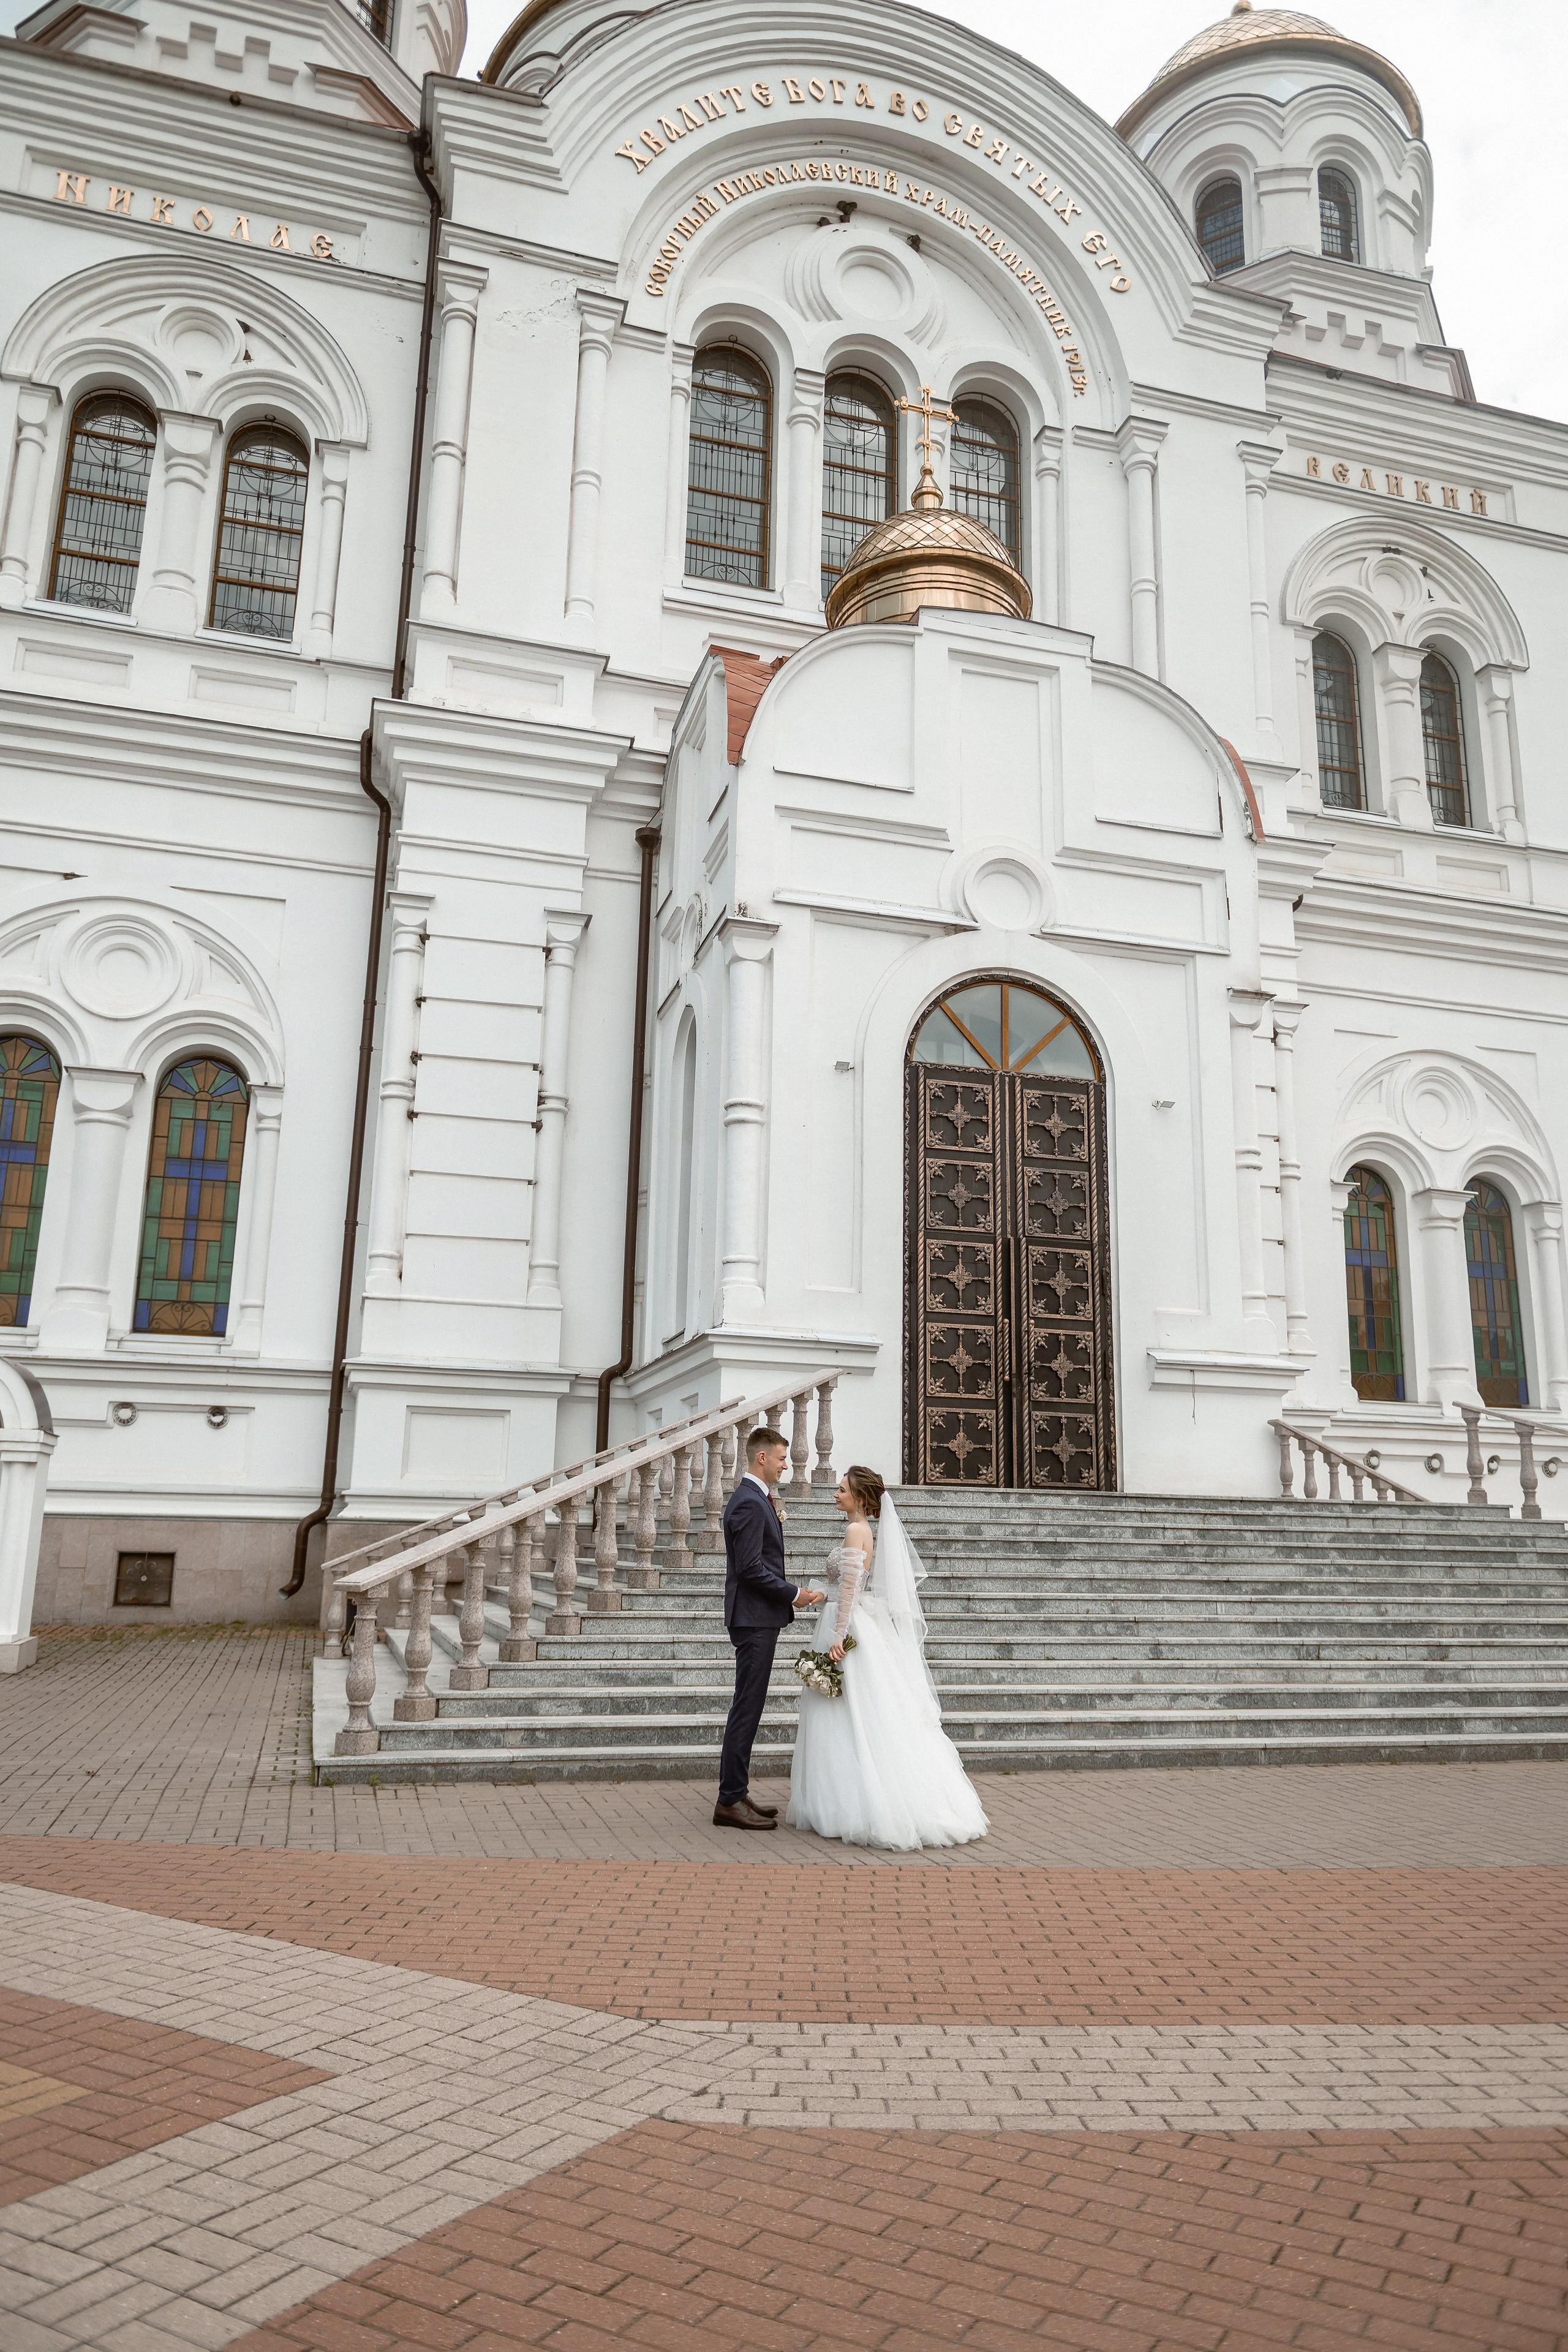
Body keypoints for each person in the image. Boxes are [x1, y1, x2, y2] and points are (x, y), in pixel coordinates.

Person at [786, 1463, 989, 1851]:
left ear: (859, 1497)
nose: (835, 1494)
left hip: (846, 1628)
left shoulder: (854, 1531)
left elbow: (849, 1591)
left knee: (845, 1715)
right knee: (860, 1714)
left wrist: (838, 1638)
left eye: (842, 1489)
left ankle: (850, 1805)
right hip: (852, 1619)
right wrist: (819, 1595)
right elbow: (847, 1585)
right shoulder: (865, 1532)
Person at [714, 1425, 824, 1830]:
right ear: (762, 1457)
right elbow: (750, 1569)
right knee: (747, 1707)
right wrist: (794, 1593)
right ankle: (729, 1801)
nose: (785, 1465)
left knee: (750, 1705)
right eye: (781, 1458)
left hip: (758, 1617)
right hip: (753, 1618)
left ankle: (737, 1792)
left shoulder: (757, 1499)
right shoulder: (747, 1503)